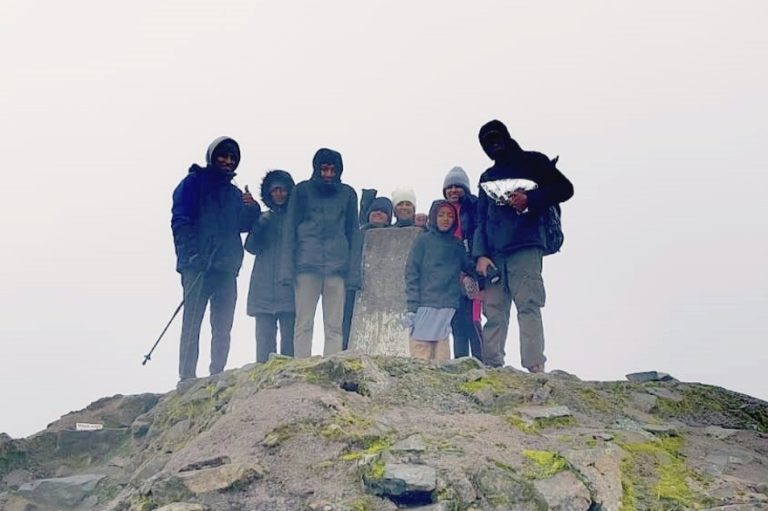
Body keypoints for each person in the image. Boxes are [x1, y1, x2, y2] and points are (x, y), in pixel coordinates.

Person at [474, 120, 574, 373]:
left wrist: (530, 198)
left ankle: (534, 365)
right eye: (488, 142)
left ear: (507, 136)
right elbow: (480, 219)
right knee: (494, 310)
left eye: (497, 138)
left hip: (527, 245)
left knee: (528, 303)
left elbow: (565, 188)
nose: (494, 145)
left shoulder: (534, 162)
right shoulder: (486, 177)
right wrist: (481, 255)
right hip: (494, 253)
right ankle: (492, 364)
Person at [171, 136, 260, 385]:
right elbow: (180, 221)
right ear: (212, 156)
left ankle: (217, 374)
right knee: (192, 321)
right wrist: (190, 255)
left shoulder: (234, 193)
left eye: (232, 158)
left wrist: (252, 209)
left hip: (226, 267)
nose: (228, 161)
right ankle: (187, 376)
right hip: (197, 266)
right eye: (223, 156)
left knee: (223, 326)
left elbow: (241, 225)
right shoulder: (192, 183)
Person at [279, 148, 361, 358]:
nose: (328, 174)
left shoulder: (348, 194)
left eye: (332, 169)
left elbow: (353, 233)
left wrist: (353, 275)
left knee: (334, 326)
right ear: (316, 168)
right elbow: (290, 231)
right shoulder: (302, 191)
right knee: (303, 323)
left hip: (337, 268)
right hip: (306, 265)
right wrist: (287, 270)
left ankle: (331, 365)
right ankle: (300, 367)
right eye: (324, 169)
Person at [405, 200, 476, 362]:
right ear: (434, 217)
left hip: (447, 306)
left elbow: (469, 266)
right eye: (441, 215)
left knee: (442, 358)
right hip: (424, 304)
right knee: (420, 356)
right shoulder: (423, 241)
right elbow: (411, 273)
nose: (445, 219)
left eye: (450, 216)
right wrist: (412, 306)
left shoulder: (457, 245)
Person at [245, 169, 296, 363]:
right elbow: (250, 247)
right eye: (274, 190)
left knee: (289, 346)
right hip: (262, 286)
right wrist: (259, 225)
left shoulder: (296, 219)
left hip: (288, 286)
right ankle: (263, 388)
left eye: (282, 190)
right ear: (268, 193)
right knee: (263, 347)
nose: (279, 194)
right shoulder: (263, 218)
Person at [442, 166, 483, 360]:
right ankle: (460, 363)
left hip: (473, 271)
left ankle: (481, 362)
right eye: (449, 187)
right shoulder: (443, 211)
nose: (453, 190)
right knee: (457, 321)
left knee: (474, 319)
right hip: (452, 274)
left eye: (458, 186)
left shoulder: (475, 207)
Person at [342, 196, 393, 349]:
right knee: (347, 323)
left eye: (383, 212)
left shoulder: (394, 236)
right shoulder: (358, 234)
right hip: (353, 286)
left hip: (384, 290)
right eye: (375, 210)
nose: (378, 214)